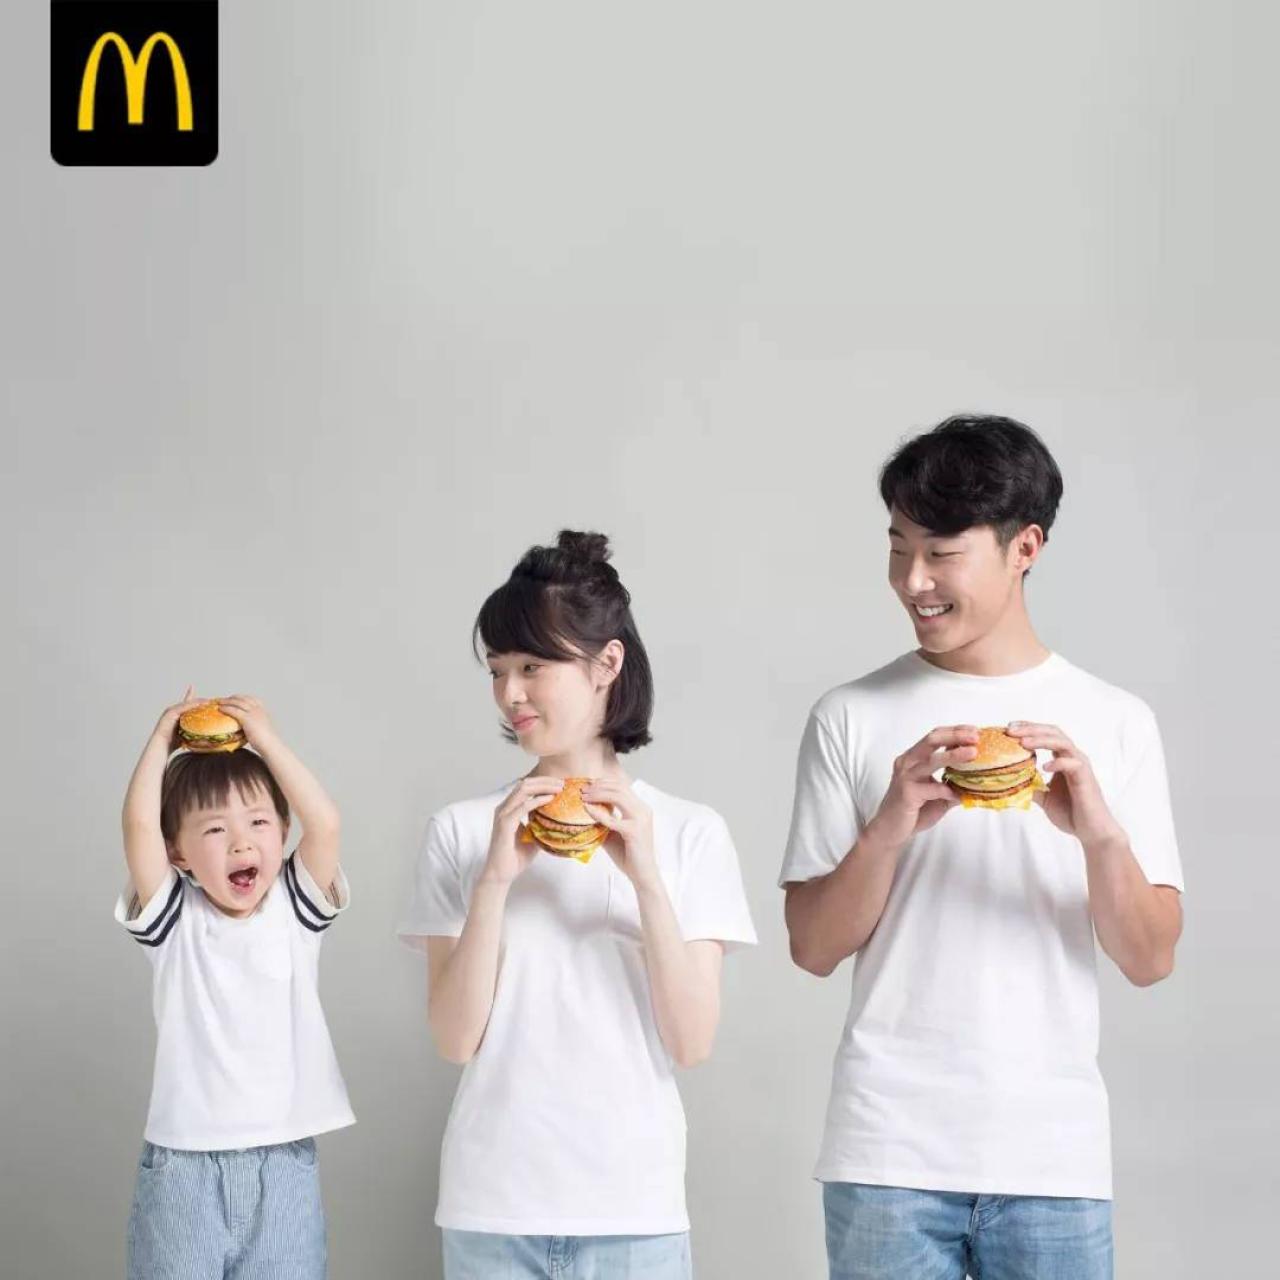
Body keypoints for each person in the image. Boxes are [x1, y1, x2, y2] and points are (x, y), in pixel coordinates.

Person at [780, 416, 1184, 1280]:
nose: (912, 581)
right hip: (885, 1153)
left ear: (1024, 547)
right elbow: (811, 947)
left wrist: (1098, 835)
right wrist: (890, 824)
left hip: (1053, 1158)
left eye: (941, 553)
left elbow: (1150, 958)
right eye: (898, 549)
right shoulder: (850, 715)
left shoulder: (1115, 722)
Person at [399, 530, 757, 1280]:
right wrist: (494, 881)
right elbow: (454, 1040)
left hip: (634, 1213)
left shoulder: (689, 832)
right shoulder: (461, 830)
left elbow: (691, 1042)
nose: (510, 693)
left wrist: (646, 879)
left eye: (533, 666)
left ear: (607, 664)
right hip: (491, 1213)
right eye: (498, 670)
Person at [117, 691, 353, 1279]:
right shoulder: (174, 921)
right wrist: (161, 738)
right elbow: (139, 824)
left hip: (284, 1164)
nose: (242, 843)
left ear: (283, 830)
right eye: (216, 829)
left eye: (259, 823)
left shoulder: (295, 910)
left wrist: (265, 740)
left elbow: (325, 822)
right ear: (178, 852)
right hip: (184, 1169)